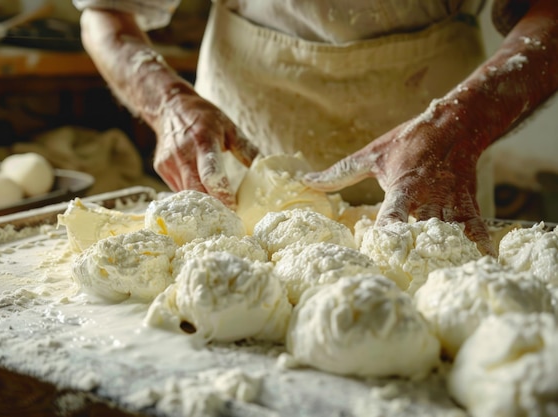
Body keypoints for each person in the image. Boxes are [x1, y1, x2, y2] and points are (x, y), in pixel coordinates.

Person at [74, 0, 558, 255]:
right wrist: (168, 105)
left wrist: (460, 125)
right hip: (245, 115)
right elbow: (107, 13)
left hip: (442, 123)